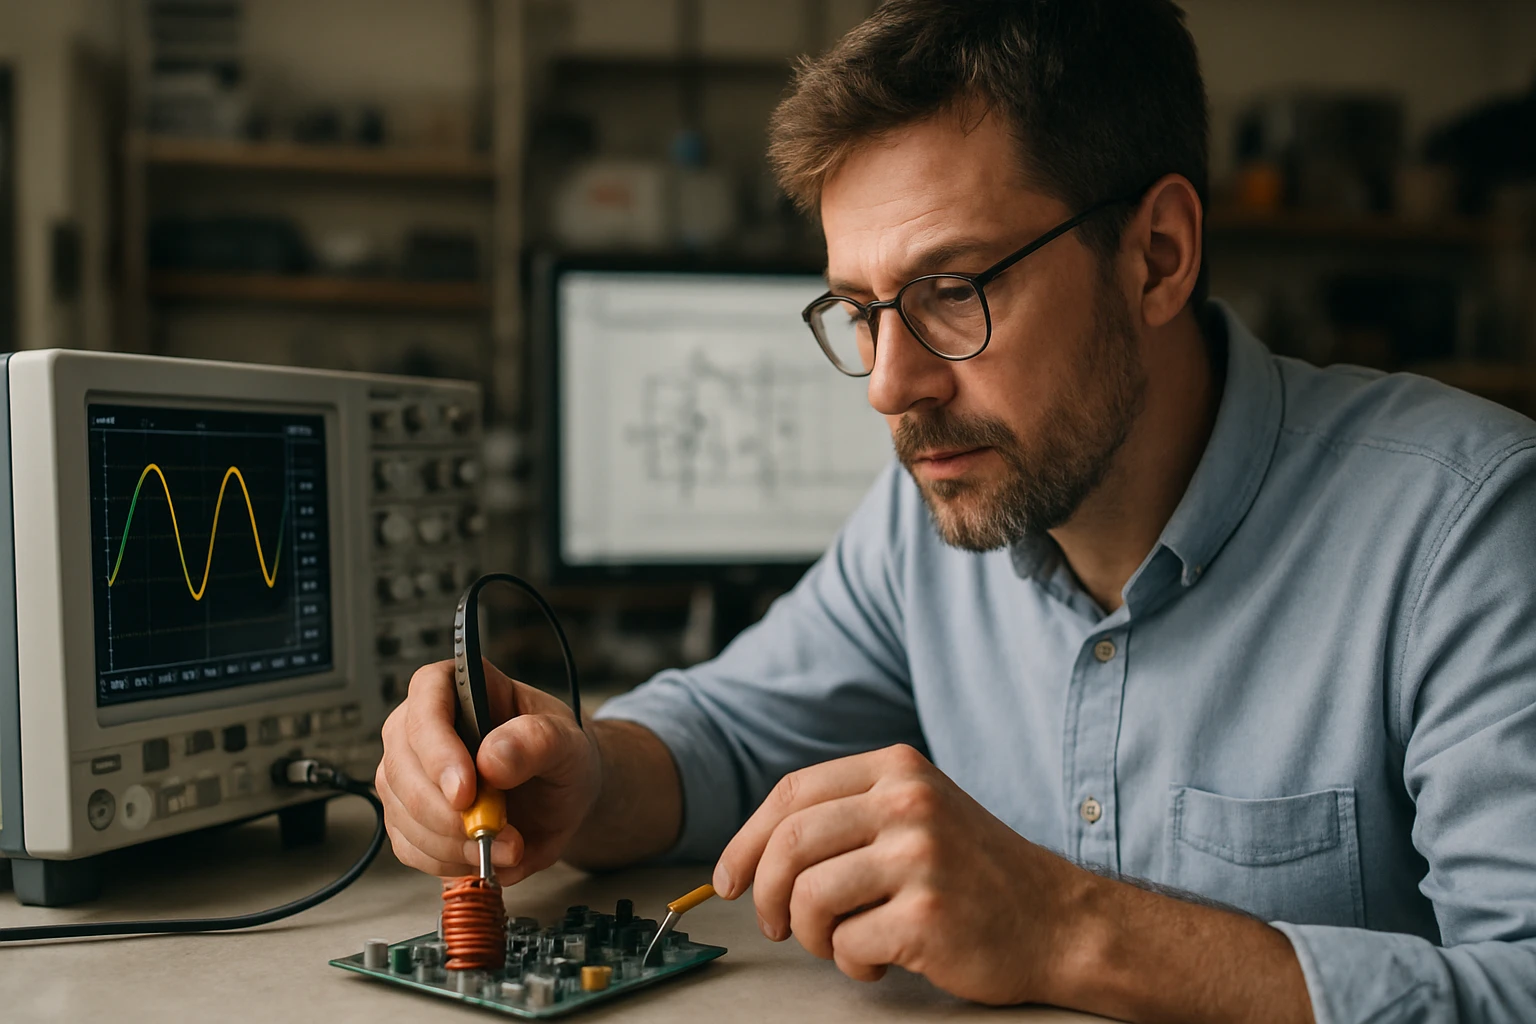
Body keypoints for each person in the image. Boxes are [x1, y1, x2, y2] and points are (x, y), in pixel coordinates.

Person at [375, 2, 1536, 1020]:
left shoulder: (1466, 531)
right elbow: (727, 735)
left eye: (953, 291)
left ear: (1158, 255)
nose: (891, 383)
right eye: (861, 309)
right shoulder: (930, 518)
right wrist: (577, 777)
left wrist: (1065, 929)